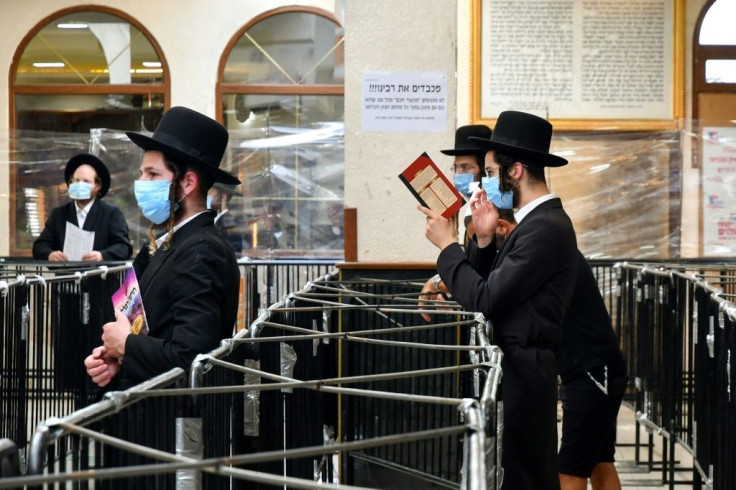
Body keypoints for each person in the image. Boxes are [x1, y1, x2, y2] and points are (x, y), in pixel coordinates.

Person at [419, 110, 578, 490]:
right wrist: (486, 241)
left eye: (490, 173)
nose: (486, 183)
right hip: (518, 369)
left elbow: (485, 297)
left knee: (526, 477)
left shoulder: (546, 227)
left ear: (516, 171)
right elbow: (492, 283)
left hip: (527, 373)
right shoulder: (536, 224)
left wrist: (446, 246)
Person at [454, 187, 627, 490]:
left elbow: (491, 294)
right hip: (589, 369)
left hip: (591, 371)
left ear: (503, 228)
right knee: (599, 462)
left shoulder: (540, 248)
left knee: (570, 471)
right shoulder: (541, 250)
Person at [84, 106, 241, 390]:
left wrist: (127, 345)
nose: (141, 183)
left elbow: (193, 356)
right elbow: (153, 329)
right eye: (142, 173)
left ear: (188, 182)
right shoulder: (169, 241)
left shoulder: (202, 250)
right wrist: (120, 359)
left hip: (170, 421)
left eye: (153, 175)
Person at [32, 153, 133, 262]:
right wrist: (50, 254)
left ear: (97, 186)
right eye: (76, 180)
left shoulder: (111, 213)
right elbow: (39, 246)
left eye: (86, 181)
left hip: (100, 277)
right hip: (67, 277)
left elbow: (124, 247)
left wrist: (102, 255)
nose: (80, 185)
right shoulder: (58, 215)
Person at [441, 124, 492, 246]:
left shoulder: (492, 209)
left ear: (484, 168)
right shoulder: (466, 205)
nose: (458, 173)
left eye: (465, 167)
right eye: (456, 167)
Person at [208, 182, 250, 254]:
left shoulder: (227, 220)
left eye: (211, 195)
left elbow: (236, 245)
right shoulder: (219, 219)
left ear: (223, 197)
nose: (208, 198)